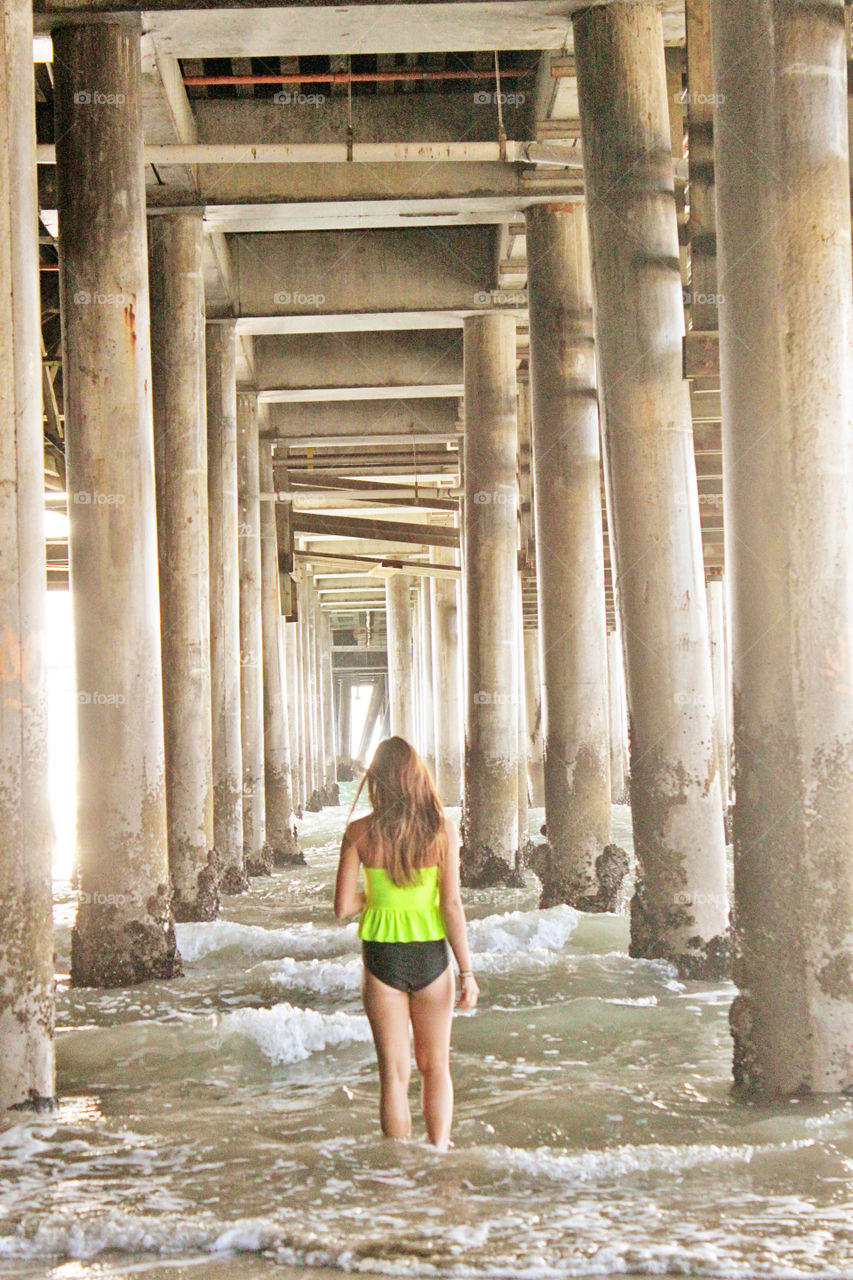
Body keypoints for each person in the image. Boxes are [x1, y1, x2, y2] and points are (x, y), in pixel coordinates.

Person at [334, 736, 479, 1150]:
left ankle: (399, 1176)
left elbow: (343, 906)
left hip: (382, 960)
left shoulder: (359, 831)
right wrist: (466, 971)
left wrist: (377, 896)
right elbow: (451, 904)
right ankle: (438, 1154)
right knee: (436, 1069)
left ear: (376, 780)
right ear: (416, 776)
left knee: (394, 1077)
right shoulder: (442, 830)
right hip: (431, 957)